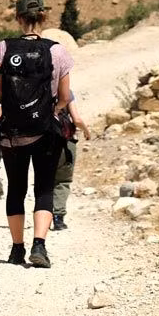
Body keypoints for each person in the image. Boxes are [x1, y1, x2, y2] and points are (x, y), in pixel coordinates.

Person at [0, 0, 74, 269]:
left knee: (16, 189)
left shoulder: (4, 49)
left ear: (19, 18)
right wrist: (53, 112)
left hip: (12, 133)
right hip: (45, 131)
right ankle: (40, 246)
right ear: (44, 17)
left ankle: (16, 249)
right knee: (44, 187)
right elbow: (65, 96)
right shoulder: (57, 51)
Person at [53, 95, 91, 230]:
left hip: (40, 143)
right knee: (62, 181)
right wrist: (87, 132)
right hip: (64, 143)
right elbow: (77, 119)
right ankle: (58, 218)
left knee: (44, 181)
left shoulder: (35, 87)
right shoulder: (65, 92)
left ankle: (41, 216)